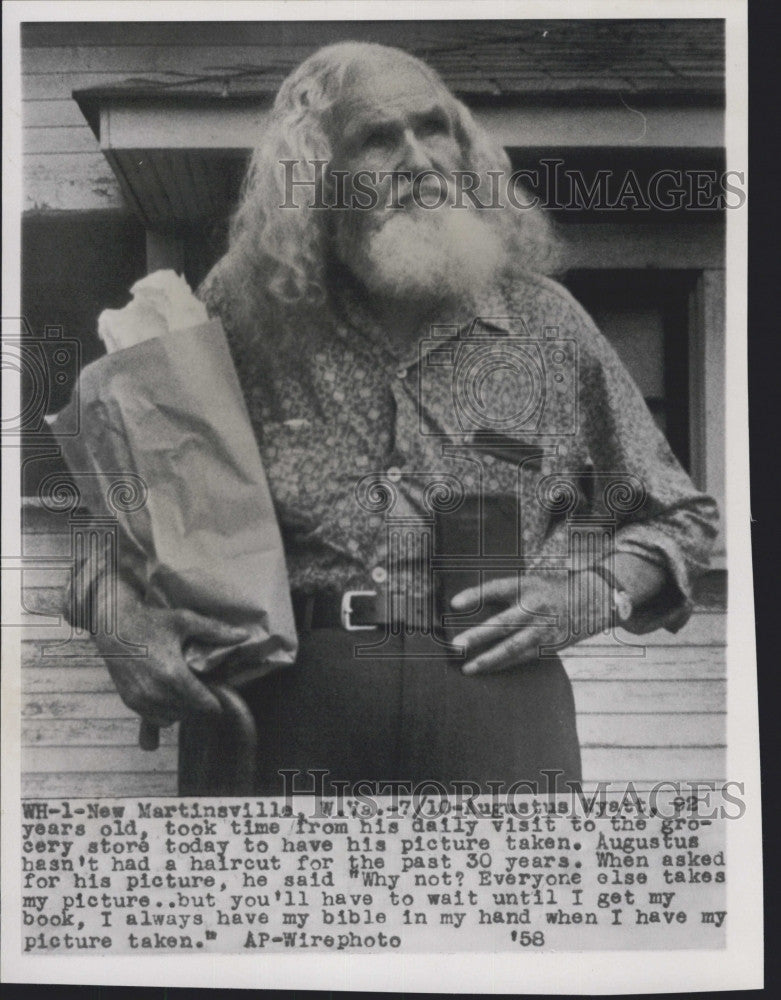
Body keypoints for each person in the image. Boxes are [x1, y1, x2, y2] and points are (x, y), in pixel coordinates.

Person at [75, 42, 719, 795]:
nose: (419, 160)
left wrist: (591, 594)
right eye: (378, 139)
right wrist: (118, 621)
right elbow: (125, 518)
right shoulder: (241, 314)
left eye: (434, 128)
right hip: (280, 700)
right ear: (318, 173)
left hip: (496, 698)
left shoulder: (545, 322)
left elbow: (677, 517)